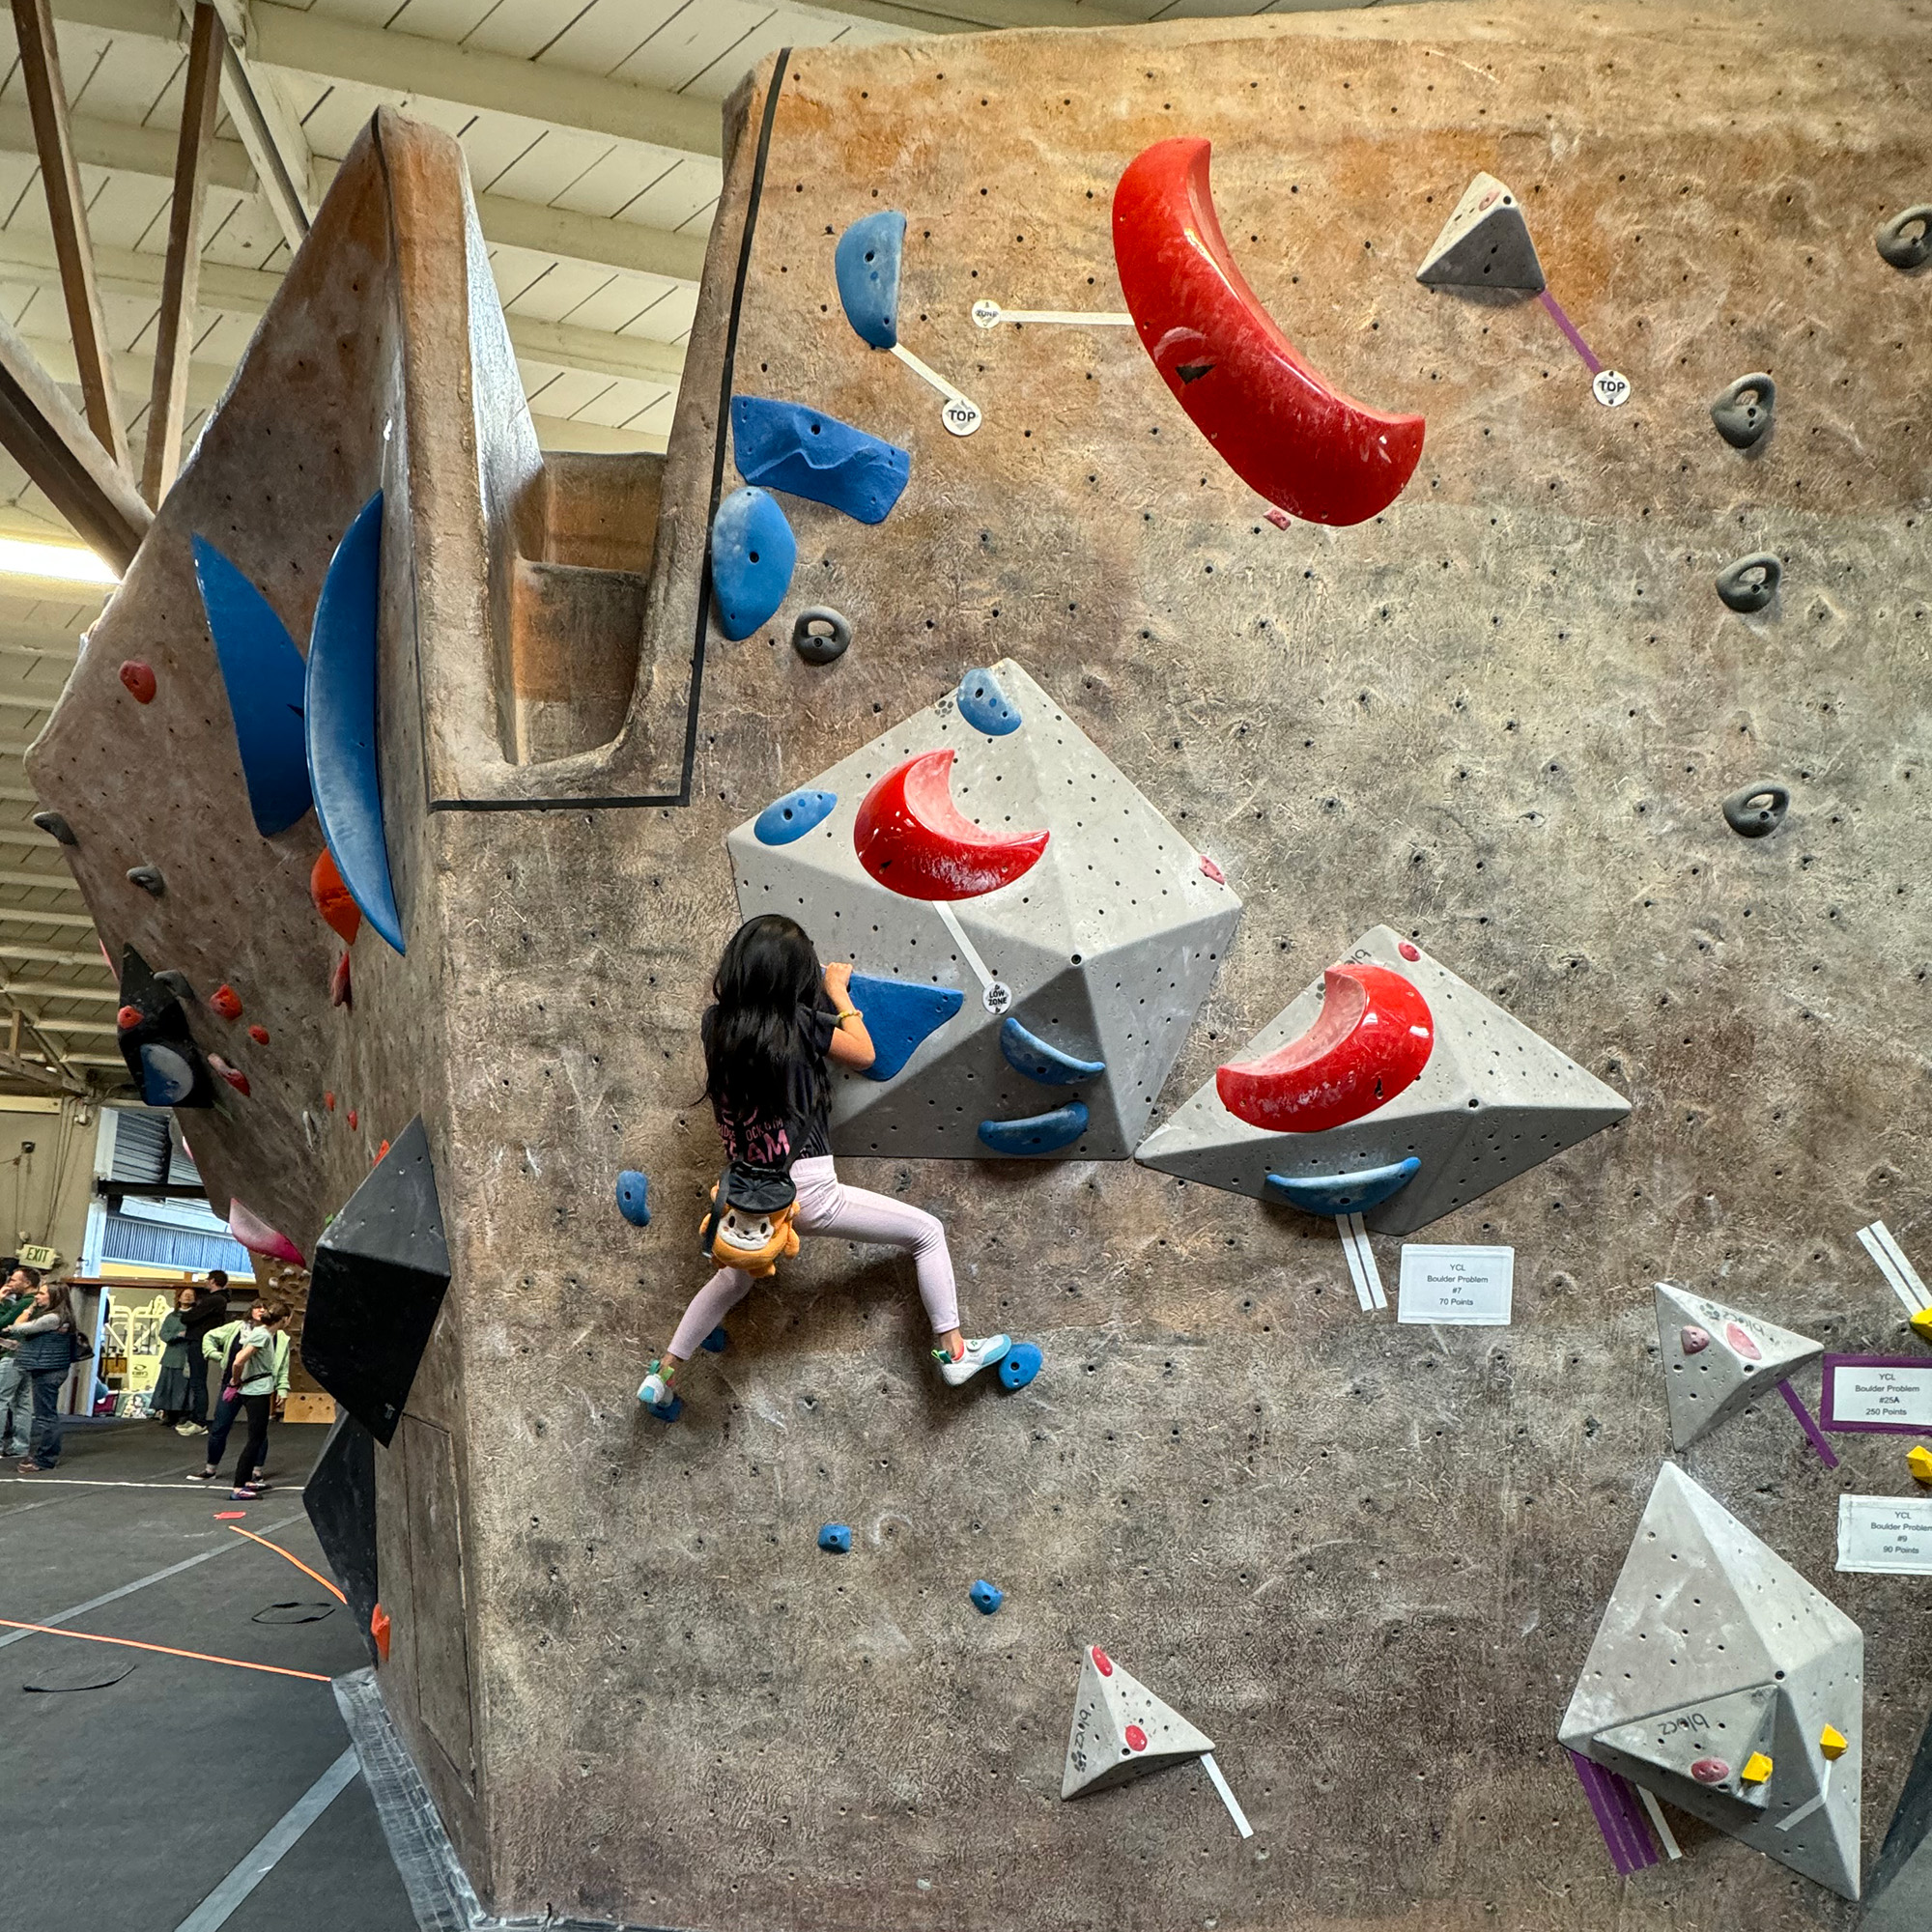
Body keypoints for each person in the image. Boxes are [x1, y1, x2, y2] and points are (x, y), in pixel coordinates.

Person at [638, 915, 1009, 1411]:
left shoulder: (716, 1025)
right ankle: (956, 1350)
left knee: (732, 1277)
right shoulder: (801, 1023)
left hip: (747, 1191)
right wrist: (837, 991)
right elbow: (864, 1052)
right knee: (926, 1232)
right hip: (810, 1190)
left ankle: (663, 1374)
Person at [187, 1296, 289, 1484]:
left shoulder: (275, 1336)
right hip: (237, 1385)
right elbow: (238, 1359)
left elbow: (281, 1365)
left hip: (257, 1387)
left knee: (258, 1433)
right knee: (221, 1427)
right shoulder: (251, 1331)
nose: (260, 1311)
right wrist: (223, 1364)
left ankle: (254, 1473)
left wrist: (282, 1388)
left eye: (264, 1309)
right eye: (257, 1307)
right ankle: (215, 1469)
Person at [218, 1301, 289, 1498]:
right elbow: (239, 1360)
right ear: (284, 1319)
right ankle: (238, 1487)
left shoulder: (265, 1334)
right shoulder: (263, 1335)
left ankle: (247, 1480)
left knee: (257, 1437)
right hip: (255, 1390)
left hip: (259, 1388)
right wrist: (235, 1380)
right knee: (255, 1438)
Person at [6, 1276, 76, 1470]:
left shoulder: (52, 1318)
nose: (38, 1297)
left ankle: (45, 1459)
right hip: (51, 1369)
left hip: (48, 1371)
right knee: (46, 1414)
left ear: (54, 1297)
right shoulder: (61, 1316)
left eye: (42, 1293)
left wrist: (27, 1310)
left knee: (46, 1416)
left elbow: (20, 1328)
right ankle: (44, 1455)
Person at [176, 1272, 233, 1436]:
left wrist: (189, 1315)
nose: (205, 1282)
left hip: (199, 1341)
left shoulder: (214, 1300)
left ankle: (199, 1421)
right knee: (197, 1381)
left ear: (213, 1281)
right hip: (202, 1340)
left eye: (208, 1279)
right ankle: (195, 1417)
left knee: (198, 1382)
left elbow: (188, 1317)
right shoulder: (220, 1300)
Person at [0, 1264, 40, 1457]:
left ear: (27, 1283)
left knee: (2, 1399)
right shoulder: (34, 1303)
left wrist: (0, 1301)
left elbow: (2, 1323)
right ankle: (20, 1447)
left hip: (13, 1356)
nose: (10, 1283)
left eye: (14, 1280)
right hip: (28, 1357)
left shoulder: (25, 1303)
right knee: (22, 1402)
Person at [150, 1288, 200, 1426]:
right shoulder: (171, 1316)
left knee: (183, 1388)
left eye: (191, 1295)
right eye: (185, 1295)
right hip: (170, 1356)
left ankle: (183, 1415)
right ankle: (168, 1414)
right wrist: (177, 1335)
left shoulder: (197, 1316)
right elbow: (164, 1334)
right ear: (179, 1298)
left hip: (186, 1356)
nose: (188, 1297)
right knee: (168, 1386)